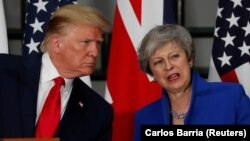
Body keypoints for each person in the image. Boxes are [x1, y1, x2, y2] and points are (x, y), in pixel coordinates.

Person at [0, 4, 113, 141]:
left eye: (98, 43)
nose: (95, 52)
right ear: (57, 44)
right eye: (86, 42)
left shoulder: (99, 112)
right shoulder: (4, 71)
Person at [133, 24, 250, 140]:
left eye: (174, 56)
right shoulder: (144, 117)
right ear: (152, 73)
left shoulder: (231, 98)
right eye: (158, 62)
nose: (168, 66)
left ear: (190, 60)